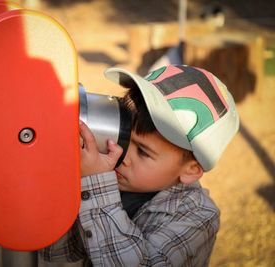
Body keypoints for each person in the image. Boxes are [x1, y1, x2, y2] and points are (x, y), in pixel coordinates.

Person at [42, 65, 240, 266]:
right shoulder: (114, 180)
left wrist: (98, 186)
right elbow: (61, 251)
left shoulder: (199, 216)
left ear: (191, 170)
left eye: (143, 152)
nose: (122, 153)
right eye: (125, 137)